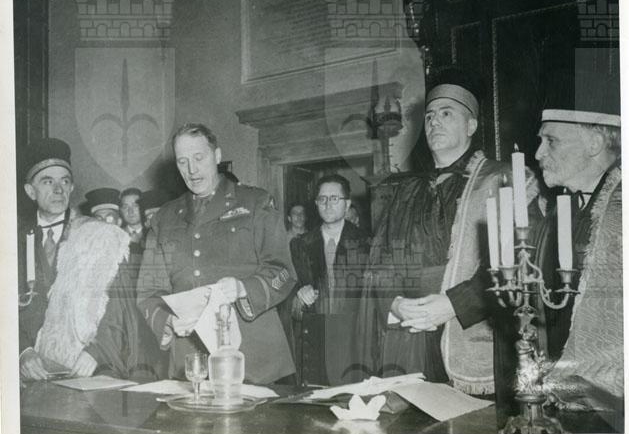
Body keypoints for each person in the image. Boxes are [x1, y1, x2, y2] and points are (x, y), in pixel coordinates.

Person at [356, 68, 538, 396]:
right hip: (411, 335)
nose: (434, 122)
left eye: (446, 113)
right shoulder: (406, 190)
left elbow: (521, 264)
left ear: (471, 126)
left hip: (473, 328)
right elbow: (379, 262)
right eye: (429, 116)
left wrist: (453, 305)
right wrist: (395, 303)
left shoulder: (504, 180)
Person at [136, 123, 296, 383]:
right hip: (191, 365)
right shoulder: (164, 218)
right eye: (183, 161)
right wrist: (168, 322)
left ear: (217, 156)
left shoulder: (255, 203)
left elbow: (283, 271)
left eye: (199, 157)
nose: (192, 169)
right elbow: (148, 291)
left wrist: (243, 288)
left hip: (255, 363)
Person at [18, 138, 161, 381]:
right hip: (31, 372)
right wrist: (22, 351)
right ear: (30, 191)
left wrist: (97, 350)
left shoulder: (99, 236)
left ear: (72, 187)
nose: (58, 189)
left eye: (65, 181)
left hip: (88, 366)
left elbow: (119, 304)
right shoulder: (13, 240)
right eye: (48, 181)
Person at [532, 104, 622, 421]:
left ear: (594, 143)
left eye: (551, 141)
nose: (538, 153)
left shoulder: (625, 209)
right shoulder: (561, 210)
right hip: (565, 394)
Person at [289, 175, 369, 385]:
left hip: (355, 339)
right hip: (315, 339)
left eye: (334, 198)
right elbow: (290, 293)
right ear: (316, 204)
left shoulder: (367, 243)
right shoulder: (300, 245)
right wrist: (299, 294)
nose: (327, 204)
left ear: (347, 204)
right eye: (322, 199)